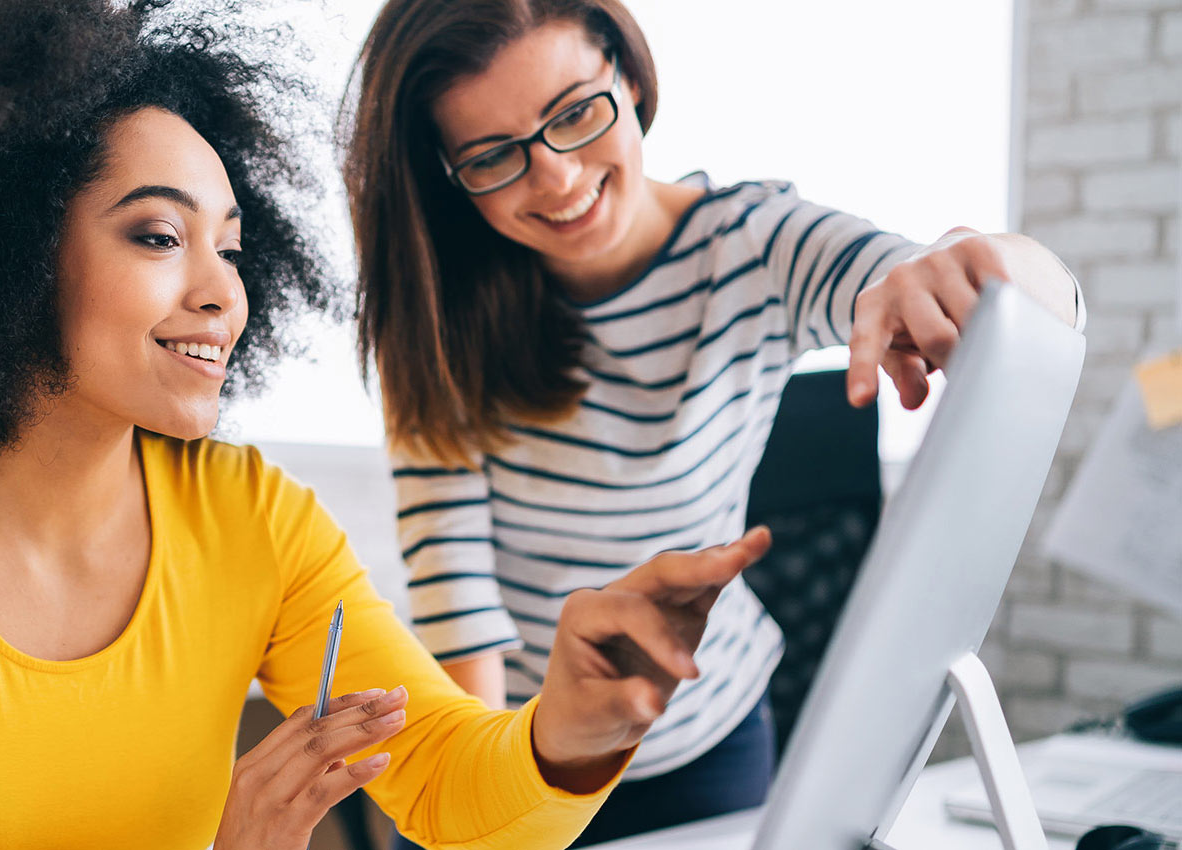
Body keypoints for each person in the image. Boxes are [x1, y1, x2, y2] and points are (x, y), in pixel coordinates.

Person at [0, 1, 775, 847]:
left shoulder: (248, 518)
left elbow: (446, 780)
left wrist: (572, 726)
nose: (223, 293)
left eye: (233, 244)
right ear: (2, 251)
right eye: (158, 236)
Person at [343, 1, 1084, 845]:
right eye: (492, 158)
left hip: (708, 745)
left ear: (626, 75)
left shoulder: (749, 246)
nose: (553, 178)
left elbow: (975, 287)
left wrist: (990, 267)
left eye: (575, 113)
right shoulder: (438, 316)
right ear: (444, 174)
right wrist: (485, 801)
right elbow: (458, 607)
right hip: (522, 753)